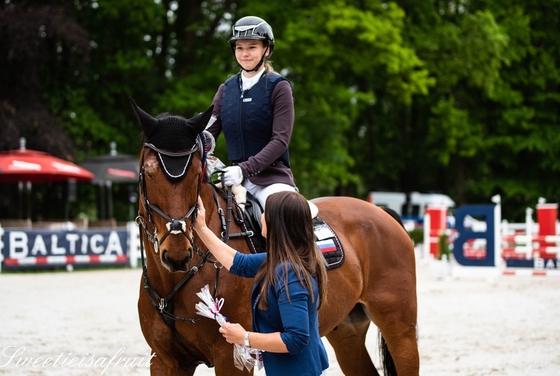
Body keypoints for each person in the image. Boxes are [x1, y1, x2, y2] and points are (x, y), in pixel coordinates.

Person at [193, 191, 329, 376]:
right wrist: (201, 228)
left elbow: (296, 339)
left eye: (266, 212)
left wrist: (244, 338)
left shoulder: (290, 273)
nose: (262, 216)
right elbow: (238, 263)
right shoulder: (283, 259)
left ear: (277, 223)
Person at [205, 16, 297, 209]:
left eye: (252, 47)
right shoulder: (226, 90)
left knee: (283, 212)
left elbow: (280, 141)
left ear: (267, 49)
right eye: (240, 48)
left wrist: (243, 170)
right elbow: (207, 135)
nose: (245, 54)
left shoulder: (279, 87)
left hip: (271, 180)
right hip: (232, 180)